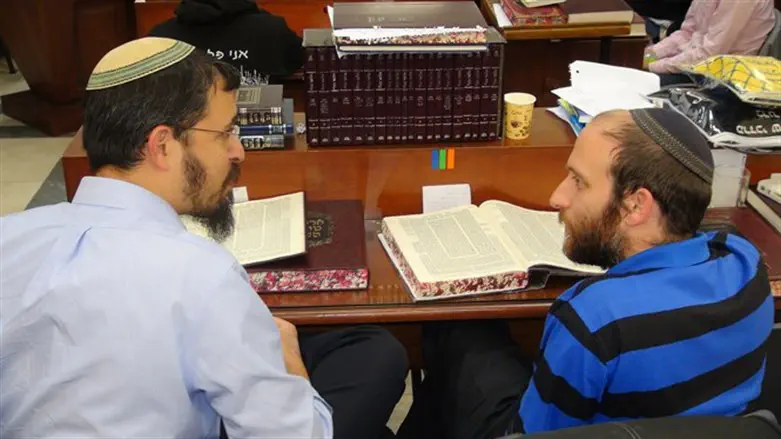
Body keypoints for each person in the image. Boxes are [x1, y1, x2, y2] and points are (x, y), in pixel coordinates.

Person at [0, 37, 407, 439]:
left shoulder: (11, 236)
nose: (237, 151)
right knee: (372, 367)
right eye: (225, 133)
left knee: (368, 346)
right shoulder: (201, 274)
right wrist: (288, 361)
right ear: (162, 146)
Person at [396, 108, 773, 438]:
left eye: (579, 181)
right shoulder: (747, 263)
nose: (557, 198)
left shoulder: (592, 317)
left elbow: (534, 435)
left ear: (636, 204)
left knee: (457, 333)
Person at [149, 0, 304, 85]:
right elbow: (302, 61)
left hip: (183, 137)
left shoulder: (159, 38)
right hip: (260, 129)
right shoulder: (273, 30)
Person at [645, 0, 775, 86]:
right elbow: (687, 33)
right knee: (632, 71)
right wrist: (648, 56)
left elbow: (709, 55)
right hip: (697, 64)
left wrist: (651, 66)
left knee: (641, 84)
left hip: (722, 78)